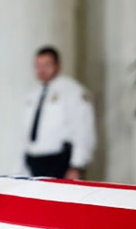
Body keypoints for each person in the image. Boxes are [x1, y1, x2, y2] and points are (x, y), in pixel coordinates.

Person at [18, 46, 96, 180]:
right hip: (34, 161)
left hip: (59, 162)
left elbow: (83, 130)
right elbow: (25, 133)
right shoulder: (33, 94)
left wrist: (77, 165)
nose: (41, 70)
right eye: (38, 65)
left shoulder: (72, 91)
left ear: (58, 66)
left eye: (46, 65)